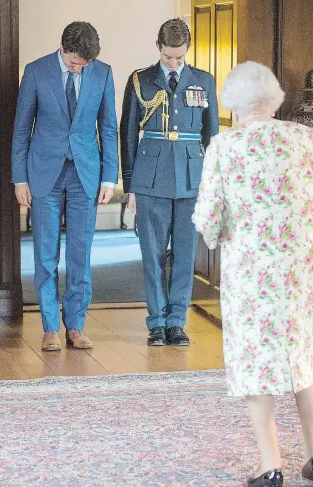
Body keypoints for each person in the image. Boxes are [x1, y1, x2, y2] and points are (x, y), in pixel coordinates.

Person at [192, 61, 313, 487]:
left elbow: (208, 219)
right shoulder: (306, 138)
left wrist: (227, 235)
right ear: (274, 98)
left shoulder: (225, 146)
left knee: (257, 361)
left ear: (234, 105)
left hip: (252, 271)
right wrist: (298, 227)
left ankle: (271, 466)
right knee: (302, 354)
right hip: (301, 267)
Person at [12, 22, 118, 351]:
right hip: (44, 173)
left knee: (80, 254)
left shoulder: (102, 73)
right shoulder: (36, 71)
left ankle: (76, 325)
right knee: (45, 254)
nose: (79, 68)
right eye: (75, 63)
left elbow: (109, 127)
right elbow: (21, 127)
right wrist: (20, 178)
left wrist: (109, 177)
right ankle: (49, 329)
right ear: (64, 48)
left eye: (84, 65)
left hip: (85, 174)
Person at [120, 18, 218, 347]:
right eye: (168, 58)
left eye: (179, 58)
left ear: (187, 51)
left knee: (186, 253)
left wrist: (212, 183)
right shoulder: (140, 81)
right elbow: (128, 135)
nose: (173, 63)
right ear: (158, 47)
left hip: (192, 178)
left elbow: (212, 134)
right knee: (153, 254)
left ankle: (177, 320)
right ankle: (156, 322)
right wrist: (130, 184)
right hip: (150, 178)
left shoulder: (204, 81)